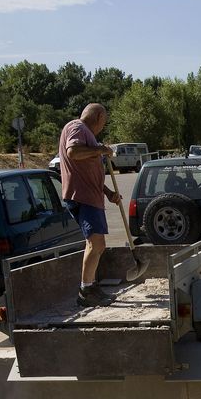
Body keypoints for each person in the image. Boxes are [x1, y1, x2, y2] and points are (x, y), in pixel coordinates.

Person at [59, 103, 122, 307]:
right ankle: (86, 291)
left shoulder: (87, 134)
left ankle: (91, 287)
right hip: (82, 197)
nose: (103, 127)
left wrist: (108, 192)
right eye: (103, 122)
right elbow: (73, 152)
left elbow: (88, 173)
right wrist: (99, 149)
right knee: (95, 244)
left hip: (90, 196)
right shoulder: (77, 128)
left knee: (98, 245)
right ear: (98, 117)